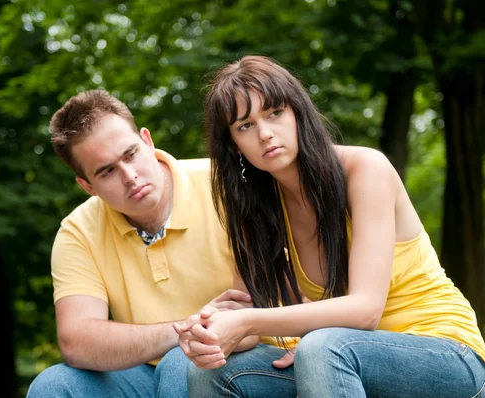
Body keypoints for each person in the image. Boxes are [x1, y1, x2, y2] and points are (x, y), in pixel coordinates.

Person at [174, 56, 485, 397]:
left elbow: (365, 310)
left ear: (297, 112)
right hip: (341, 357)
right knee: (212, 373)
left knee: (322, 347)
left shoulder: (365, 170)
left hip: (445, 354)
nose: (265, 134)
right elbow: (251, 327)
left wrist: (251, 321)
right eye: (245, 126)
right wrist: (213, 333)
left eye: (274, 113)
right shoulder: (255, 208)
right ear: (233, 144)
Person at [26, 89, 252, 397]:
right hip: (151, 371)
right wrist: (180, 331)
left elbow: (249, 316)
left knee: (180, 365)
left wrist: (183, 344)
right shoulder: (78, 231)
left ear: (147, 140)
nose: (130, 176)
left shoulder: (225, 186)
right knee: (54, 386)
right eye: (107, 172)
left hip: (250, 360)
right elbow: (77, 341)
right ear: (87, 186)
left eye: (130, 154)